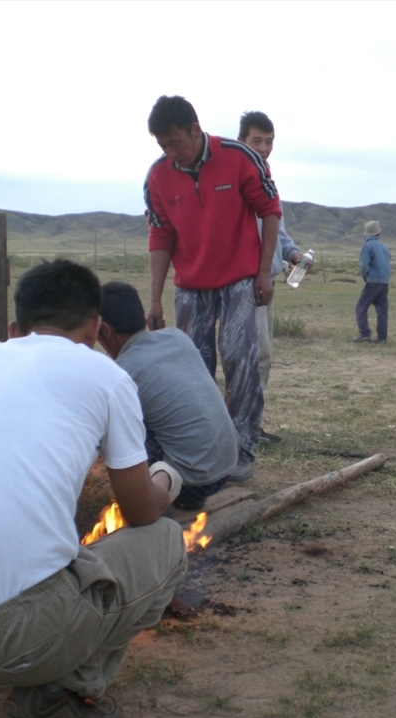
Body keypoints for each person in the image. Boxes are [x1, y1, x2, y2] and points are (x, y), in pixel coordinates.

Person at [0, 260, 186, 718]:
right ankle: (61, 691)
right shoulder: (105, 375)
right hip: (25, 640)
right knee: (165, 540)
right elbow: (140, 511)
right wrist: (165, 479)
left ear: (14, 327)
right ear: (94, 330)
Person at [144, 95, 282, 482]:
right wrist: (154, 299)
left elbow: (270, 210)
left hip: (239, 279)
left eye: (176, 143)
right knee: (193, 369)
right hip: (190, 287)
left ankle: (243, 449)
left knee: (241, 360)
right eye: (163, 146)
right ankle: (199, 450)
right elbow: (160, 235)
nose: (171, 153)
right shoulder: (158, 176)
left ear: (195, 129)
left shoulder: (239, 157)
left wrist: (263, 272)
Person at [98, 281, 240, 511]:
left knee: (118, 423)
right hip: (227, 466)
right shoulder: (176, 337)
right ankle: (188, 498)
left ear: (104, 330)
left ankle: (157, 500)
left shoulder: (122, 373)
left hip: (189, 482)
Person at [237, 110, 303, 443]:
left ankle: (252, 423)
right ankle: (243, 427)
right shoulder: (236, 184)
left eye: (269, 141)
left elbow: (278, 229)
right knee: (253, 356)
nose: (264, 147)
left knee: (263, 357)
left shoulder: (267, 180)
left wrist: (291, 254)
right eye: (257, 141)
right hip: (248, 283)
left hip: (269, 283)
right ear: (241, 142)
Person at [353, 220, 391, 343]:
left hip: (373, 280)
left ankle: (364, 333)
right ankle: (382, 337)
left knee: (361, 306)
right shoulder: (384, 247)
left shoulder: (368, 246)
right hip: (384, 281)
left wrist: (364, 275)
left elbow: (364, 265)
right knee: (382, 309)